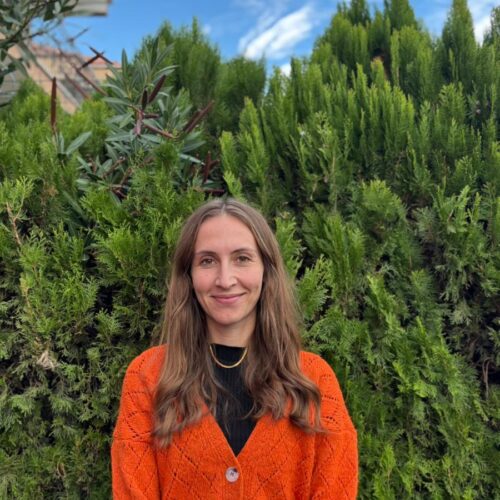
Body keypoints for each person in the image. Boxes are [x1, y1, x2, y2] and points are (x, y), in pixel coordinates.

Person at [111, 198, 358, 499]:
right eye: (207, 261)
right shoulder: (148, 376)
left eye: (242, 258)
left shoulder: (314, 381)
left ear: (266, 269)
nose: (225, 280)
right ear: (188, 276)